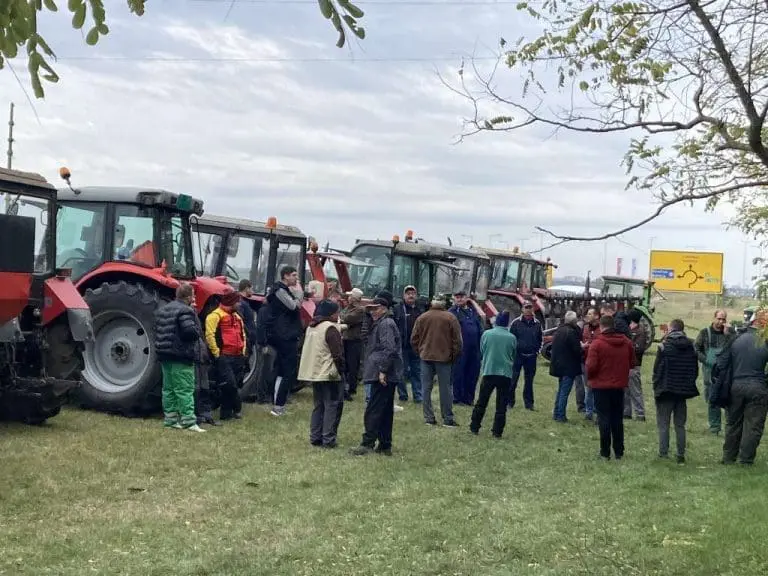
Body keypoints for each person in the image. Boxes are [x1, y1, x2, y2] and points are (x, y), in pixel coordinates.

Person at [350, 296, 403, 456]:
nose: (373, 311)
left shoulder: (386, 324)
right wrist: (367, 315)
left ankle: (367, 443)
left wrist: (383, 370)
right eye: (371, 309)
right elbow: (366, 337)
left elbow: (389, 349)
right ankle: (385, 445)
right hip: (384, 371)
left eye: (376, 308)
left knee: (373, 409)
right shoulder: (381, 322)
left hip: (383, 373)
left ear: (384, 308)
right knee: (385, 411)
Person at [154, 283, 205, 432]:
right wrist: (196, 325)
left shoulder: (163, 309)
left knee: (168, 389)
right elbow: (190, 332)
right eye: (193, 295)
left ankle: (170, 420)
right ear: (188, 297)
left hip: (164, 354)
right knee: (184, 389)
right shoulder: (186, 310)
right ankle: (188, 421)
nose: (194, 298)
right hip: (181, 355)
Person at [721, 309, 768, 466]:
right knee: (753, 426)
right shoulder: (764, 341)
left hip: (736, 386)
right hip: (758, 387)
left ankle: (728, 457)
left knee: (733, 423)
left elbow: (723, 362)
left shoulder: (737, 339)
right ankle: (746, 460)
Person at [586, 315, 635, 460]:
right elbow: (632, 362)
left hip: (601, 385)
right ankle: (619, 451)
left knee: (604, 418)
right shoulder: (626, 343)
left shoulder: (597, 344)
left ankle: (605, 451)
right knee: (617, 418)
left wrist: (591, 377)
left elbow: (591, 366)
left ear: (601, 326)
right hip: (619, 385)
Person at [651, 319, 699, 463]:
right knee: (680, 425)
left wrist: (656, 385)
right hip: (682, 391)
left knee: (664, 423)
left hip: (665, 390)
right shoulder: (691, 347)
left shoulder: (664, 347)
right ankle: (680, 454)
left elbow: (657, 370)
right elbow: (694, 370)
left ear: (671, 329)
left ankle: (663, 453)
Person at [299, 300, 346, 448]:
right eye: (337, 312)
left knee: (318, 405)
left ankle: (315, 436)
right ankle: (328, 439)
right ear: (331, 314)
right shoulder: (330, 328)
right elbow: (337, 353)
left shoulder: (311, 327)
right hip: (329, 373)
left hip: (315, 372)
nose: (338, 315)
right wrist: (342, 370)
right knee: (332, 405)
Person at [411, 298, 462, 427]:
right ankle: (447, 418)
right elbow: (457, 341)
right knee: (445, 389)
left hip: (426, 357)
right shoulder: (450, 318)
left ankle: (429, 418)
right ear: (444, 304)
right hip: (445, 358)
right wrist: (453, 355)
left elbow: (414, 339)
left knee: (426, 388)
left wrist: (420, 352)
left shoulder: (422, 317)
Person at [470, 311, 517, 438]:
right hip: (505, 373)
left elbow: (482, 350)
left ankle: (474, 426)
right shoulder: (512, 337)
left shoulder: (487, 334)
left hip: (489, 371)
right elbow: (513, 354)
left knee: (482, 401)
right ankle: (497, 431)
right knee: (501, 405)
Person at [265, 266, 304, 417]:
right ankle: (279, 405)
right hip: (285, 335)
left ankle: (277, 403)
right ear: (285, 276)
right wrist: (299, 292)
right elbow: (294, 306)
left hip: (284, 333)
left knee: (282, 370)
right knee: (288, 371)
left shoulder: (281, 290)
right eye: (294, 275)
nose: (296, 278)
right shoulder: (279, 290)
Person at [205, 291, 247, 421]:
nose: (239, 304)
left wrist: (243, 351)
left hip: (238, 356)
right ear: (231, 302)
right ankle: (237, 407)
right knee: (230, 384)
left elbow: (243, 335)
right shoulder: (215, 316)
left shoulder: (237, 317)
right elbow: (210, 335)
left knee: (233, 384)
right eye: (237, 302)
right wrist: (217, 354)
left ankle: (226, 413)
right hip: (224, 356)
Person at [695, 310, 732, 434]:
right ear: (714, 318)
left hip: (725, 373)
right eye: (719, 318)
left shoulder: (728, 334)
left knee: (728, 400)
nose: (721, 322)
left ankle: (730, 427)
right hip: (710, 372)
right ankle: (715, 427)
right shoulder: (705, 333)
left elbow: (734, 348)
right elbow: (696, 349)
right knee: (712, 400)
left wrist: (729, 334)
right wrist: (706, 360)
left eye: (723, 319)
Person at [449, 290, 484, 406]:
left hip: (474, 349)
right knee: (459, 374)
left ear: (466, 298)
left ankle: (469, 399)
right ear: (454, 299)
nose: (459, 299)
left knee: (473, 374)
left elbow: (481, 325)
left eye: (462, 297)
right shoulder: (451, 313)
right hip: (460, 349)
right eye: (457, 297)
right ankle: (458, 398)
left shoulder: (473, 311)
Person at [549, 311, 583, 423]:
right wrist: (582, 347)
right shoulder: (571, 333)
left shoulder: (559, 330)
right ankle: (560, 415)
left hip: (559, 365)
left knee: (561, 391)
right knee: (564, 392)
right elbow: (576, 350)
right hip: (568, 366)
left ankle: (556, 413)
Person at [508, 301, 543, 410]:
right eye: (526, 308)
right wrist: (512, 353)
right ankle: (509, 402)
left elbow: (540, 339)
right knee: (513, 380)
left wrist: (537, 351)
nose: (528, 310)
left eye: (530, 308)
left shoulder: (537, 324)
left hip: (531, 357)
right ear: (522, 310)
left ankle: (529, 404)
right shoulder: (515, 323)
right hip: (517, 356)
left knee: (529, 382)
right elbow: (510, 339)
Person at [392, 286, 423, 403]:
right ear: (403, 296)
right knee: (401, 372)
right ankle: (403, 395)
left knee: (417, 372)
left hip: (417, 347)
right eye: (408, 293)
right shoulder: (397, 309)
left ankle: (418, 396)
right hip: (402, 346)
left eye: (413, 293)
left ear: (416, 295)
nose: (411, 295)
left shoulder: (420, 309)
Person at [340, 288, 366, 400]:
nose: (348, 298)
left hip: (355, 340)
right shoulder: (348, 308)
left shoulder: (360, 310)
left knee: (353, 365)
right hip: (346, 339)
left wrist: (342, 318)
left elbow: (347, 318)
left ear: (355, 298)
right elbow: (341, 315)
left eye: (350, 296)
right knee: (345, 364)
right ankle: (345, 386)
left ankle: (352, 387)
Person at [624, 309, 648, 421]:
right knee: (625, 390)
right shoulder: (628, 330)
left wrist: (627, 347)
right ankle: (626, 412)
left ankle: (640, 414)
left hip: (634, 365)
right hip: (626, 364)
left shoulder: (640, 332)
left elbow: (639, 348)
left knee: (636, 391)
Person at [580, 308, 600, 422]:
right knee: (588, 387)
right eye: (587, 314)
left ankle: (597, 410)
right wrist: (582, 345)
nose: (587, 316)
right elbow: (579, 340)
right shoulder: (585, 328)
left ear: (597, 316)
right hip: (586, 361)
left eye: (590, 314)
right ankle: (589, 412)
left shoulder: (601, 329)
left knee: (597, 388)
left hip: (598, 363)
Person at [236, 279, 258, 351]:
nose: (253, 291)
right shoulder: (241, 303)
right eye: (251, 289)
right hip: (245, 340)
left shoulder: (244, 302)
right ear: (246, 288)